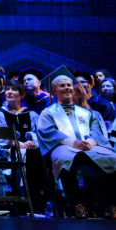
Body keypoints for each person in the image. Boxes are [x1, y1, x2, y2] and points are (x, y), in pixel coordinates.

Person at [37, 73, 116, 219]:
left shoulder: (86, 113)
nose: (67, 88)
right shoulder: (48, 113)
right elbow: (49, 132)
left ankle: (109, 204)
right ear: (54, 91)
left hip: (89, 146)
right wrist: (74, 143)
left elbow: (96, 132)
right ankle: (78, 204)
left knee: (113, 158)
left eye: (69, 85)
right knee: (66, 158)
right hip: (64, 146)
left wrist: (90, 142)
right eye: (62, 85)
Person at [0, 79, 46, 211]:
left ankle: (36, 199)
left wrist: (32, 142)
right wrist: (15, 143)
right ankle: (21, 198)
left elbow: (39, 134)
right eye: (7, 89)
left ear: (22, 95)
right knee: (24, 154)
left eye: (13, 89)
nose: (9, 92)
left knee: (34, 154)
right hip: (6, 153)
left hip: (30, 151)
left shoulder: (31, 114)